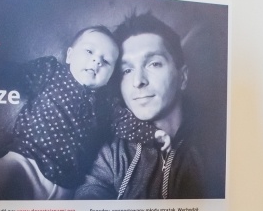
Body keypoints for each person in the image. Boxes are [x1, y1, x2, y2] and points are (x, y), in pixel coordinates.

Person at [75, 11, 224, 199]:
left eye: (153, 64)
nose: (138, 81)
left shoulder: (219, 145)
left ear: (183, 77)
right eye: (126, 70)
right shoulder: (111, 155)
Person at [0, 25, 119, 199]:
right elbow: (18, 74)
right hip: (26, 159)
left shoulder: (107, 104)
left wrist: (154, 134)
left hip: (66, 183)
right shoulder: (51, 71)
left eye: (106, 61)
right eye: (89, 51)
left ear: (111, 75)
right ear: (69, 55)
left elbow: (125, 122)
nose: (97, 61)